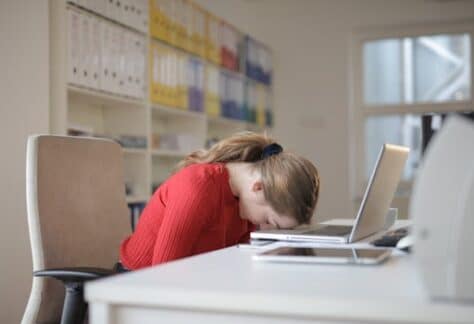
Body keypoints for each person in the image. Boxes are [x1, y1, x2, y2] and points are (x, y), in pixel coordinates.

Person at [119, 132, 320, 269]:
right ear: (258, 187)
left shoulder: (245, 204)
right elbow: (164, 276)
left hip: (188, 282)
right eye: (270, 220)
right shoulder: (198, 188)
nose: (265, 227)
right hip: (137, 284)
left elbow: (233, 264)